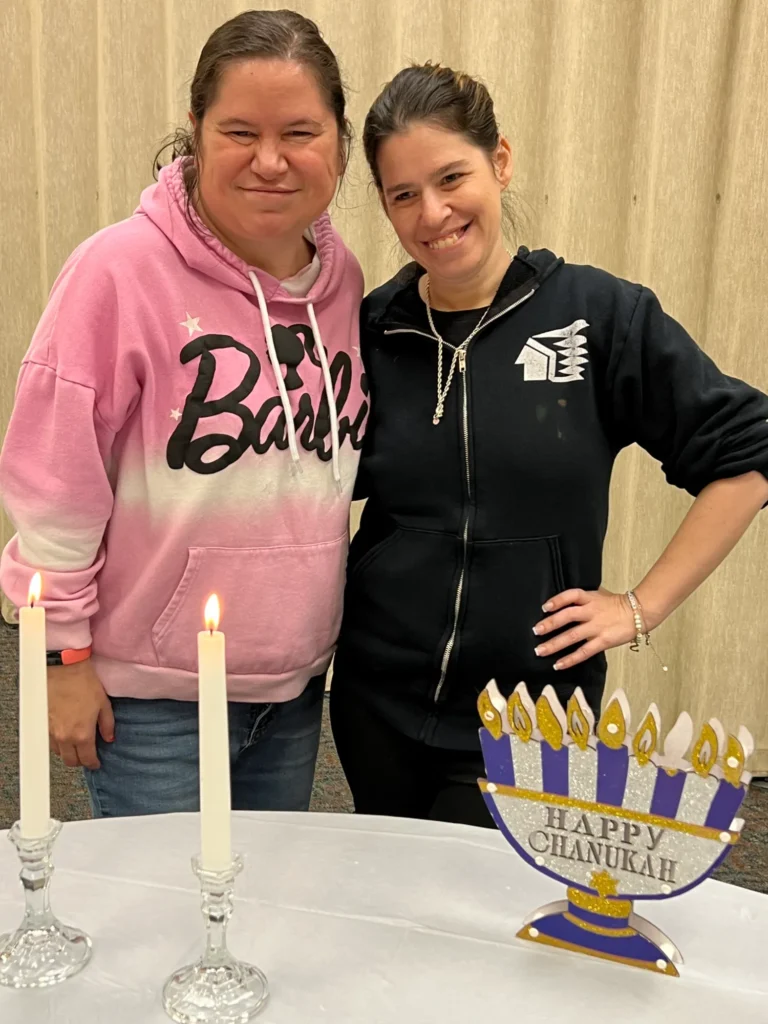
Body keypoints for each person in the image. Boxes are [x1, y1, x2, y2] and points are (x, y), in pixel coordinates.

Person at [330, 63, 768, 828]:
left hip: (530, 717)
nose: (432, 213)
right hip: (377, 702)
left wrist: (640, 607)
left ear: (500, 162)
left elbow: (748, 450)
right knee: (393, 914)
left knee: (487, 927)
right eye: (404, 195)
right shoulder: (373, 329)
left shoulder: (598, 316)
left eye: (450, 178)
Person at [0, 10, 368, 818]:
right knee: (167, 921)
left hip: (294, 687)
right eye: (239, 130)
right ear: (196, 132)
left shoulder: (343, 287)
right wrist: (61, 657)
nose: (270, 160)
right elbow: (54, 488)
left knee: (262, 908)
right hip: (149, 698)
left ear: (339, 142)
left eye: (300, 132)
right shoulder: (118, 272)